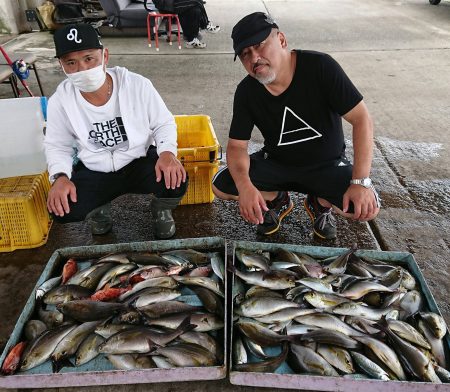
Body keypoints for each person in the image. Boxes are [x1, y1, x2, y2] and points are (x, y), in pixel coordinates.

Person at [212, 12, 381, 240]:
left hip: (326, 165)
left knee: (366, 208)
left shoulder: (320, 67)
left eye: (259, 46)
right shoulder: (247, 91)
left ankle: (320, 204)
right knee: (223, 185)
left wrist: (360, 182)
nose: (254, 58)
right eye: (245, 54)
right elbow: (236, 146)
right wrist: (245, 187)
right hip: (278, 164)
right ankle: (277, 200)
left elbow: (362, 119)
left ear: (281, 40)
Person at [44, 23, 187, 238]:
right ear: (61, 65)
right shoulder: (60, 101)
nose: (82, 69)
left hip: (136, 161)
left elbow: (163, 122)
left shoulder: (138, 85)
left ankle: (161, 209)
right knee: (62, 208)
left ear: (105, 56)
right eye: (71, 62)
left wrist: (167, 153)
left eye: (89, 58)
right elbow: (57, 145)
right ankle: (99, 211)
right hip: (94, 168)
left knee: (176, 177)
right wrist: (60, 176)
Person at [148, 0, 220, 48]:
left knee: (195, 9)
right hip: (165, 4)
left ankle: (191, 40)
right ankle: (205, 25)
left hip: (175, 2)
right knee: (196, 2)